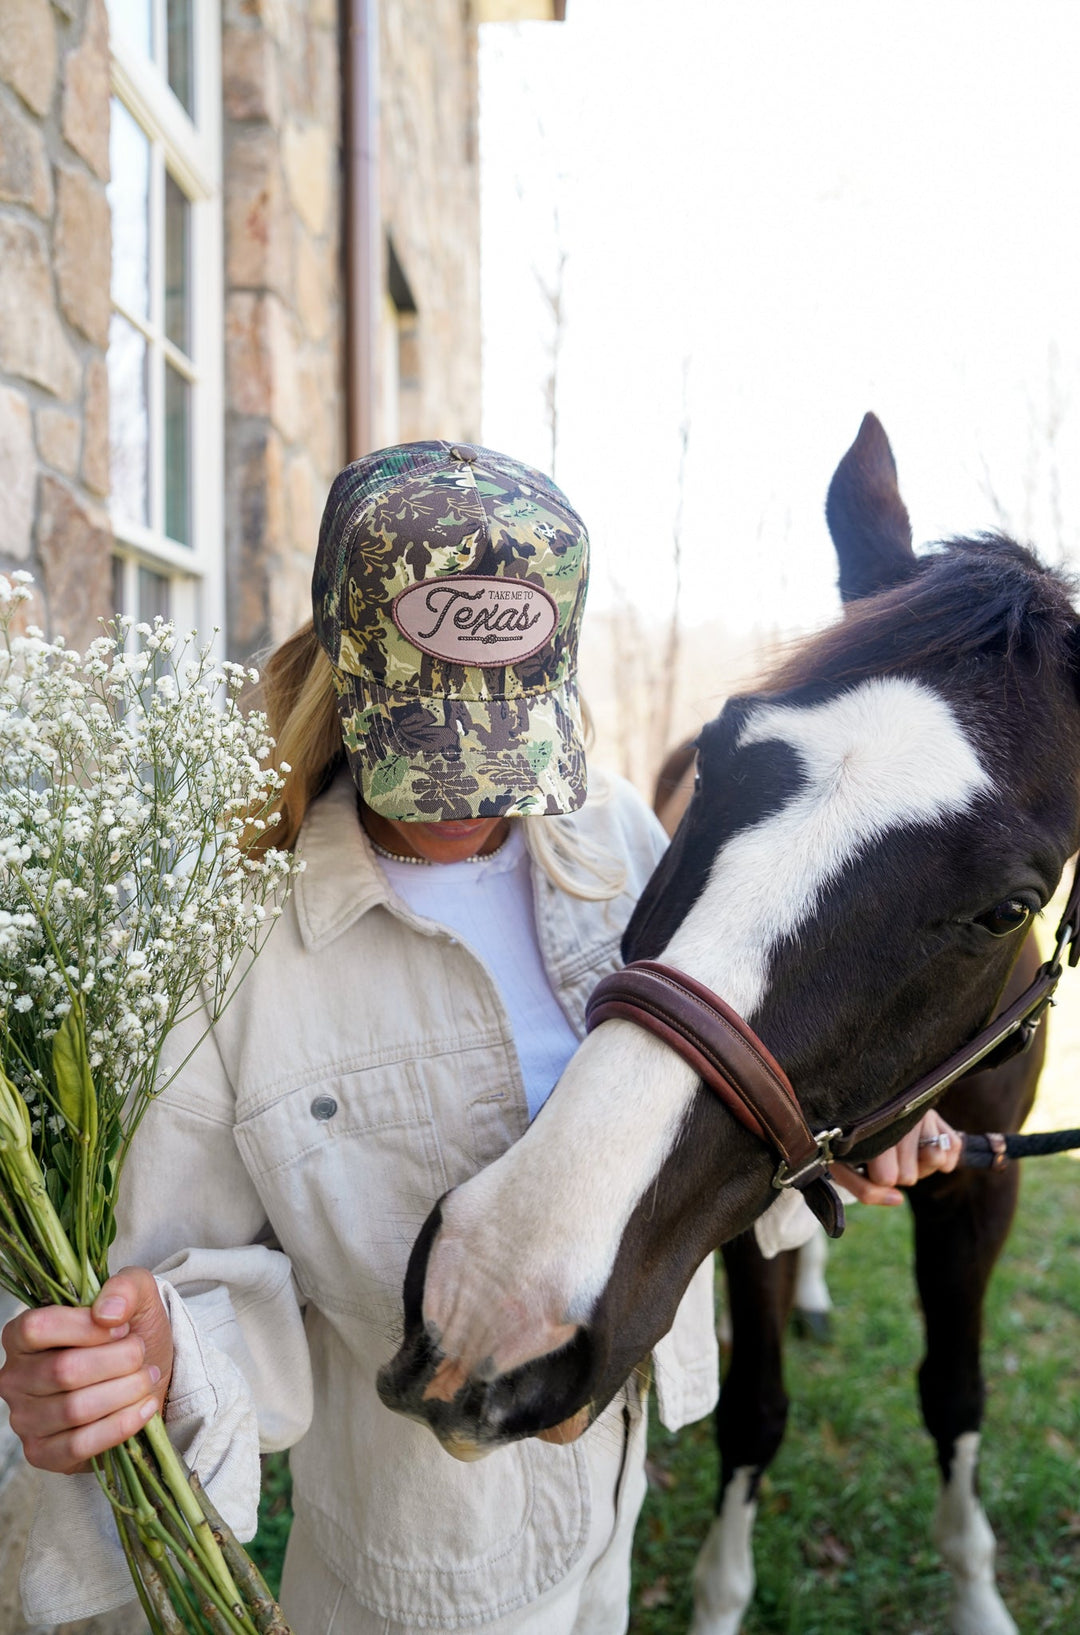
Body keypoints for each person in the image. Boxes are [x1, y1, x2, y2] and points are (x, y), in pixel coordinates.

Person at [0, 441, 962, 1635]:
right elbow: (205, 1292)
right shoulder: (236, 944)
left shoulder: (615, 839)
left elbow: (698, 1117)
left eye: (503, 749)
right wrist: (149, 1356)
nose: (470, 799)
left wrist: (838, 1144)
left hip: (608, 1505)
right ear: (345, 678)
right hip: (420, 1586)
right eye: (430, 750)